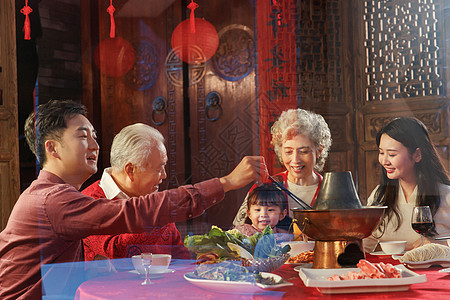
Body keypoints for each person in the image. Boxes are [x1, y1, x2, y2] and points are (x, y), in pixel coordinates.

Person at [0, 100, 268, 299]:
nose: (95, 146)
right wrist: (227, 183)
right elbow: (134, 213)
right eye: (83, 136)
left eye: (94, 136)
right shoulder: (52, 200)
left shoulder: (56, 196)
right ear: (52, 148)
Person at [82, 123, 190, 261]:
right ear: (131, 170)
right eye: (158, 168)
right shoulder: (88, 202)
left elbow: (180, 255)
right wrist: (158, 216)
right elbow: (115, 252)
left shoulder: (153, 198)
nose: (164, 175)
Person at [233, 108, 332, 231]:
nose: (296, 160)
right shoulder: (265, 187)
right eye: (288, 151)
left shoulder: (331, 191)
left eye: (304, 151)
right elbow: (236, 233)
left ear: (319, 151)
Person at [364, 117, 450, 253]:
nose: (384, 160)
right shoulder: (379, 194)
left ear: (417, 155)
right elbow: (365, 244)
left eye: (392, 154)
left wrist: (439, 243)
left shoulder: (445, 195)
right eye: (381, 152)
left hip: (432, 272)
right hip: (391, 273)